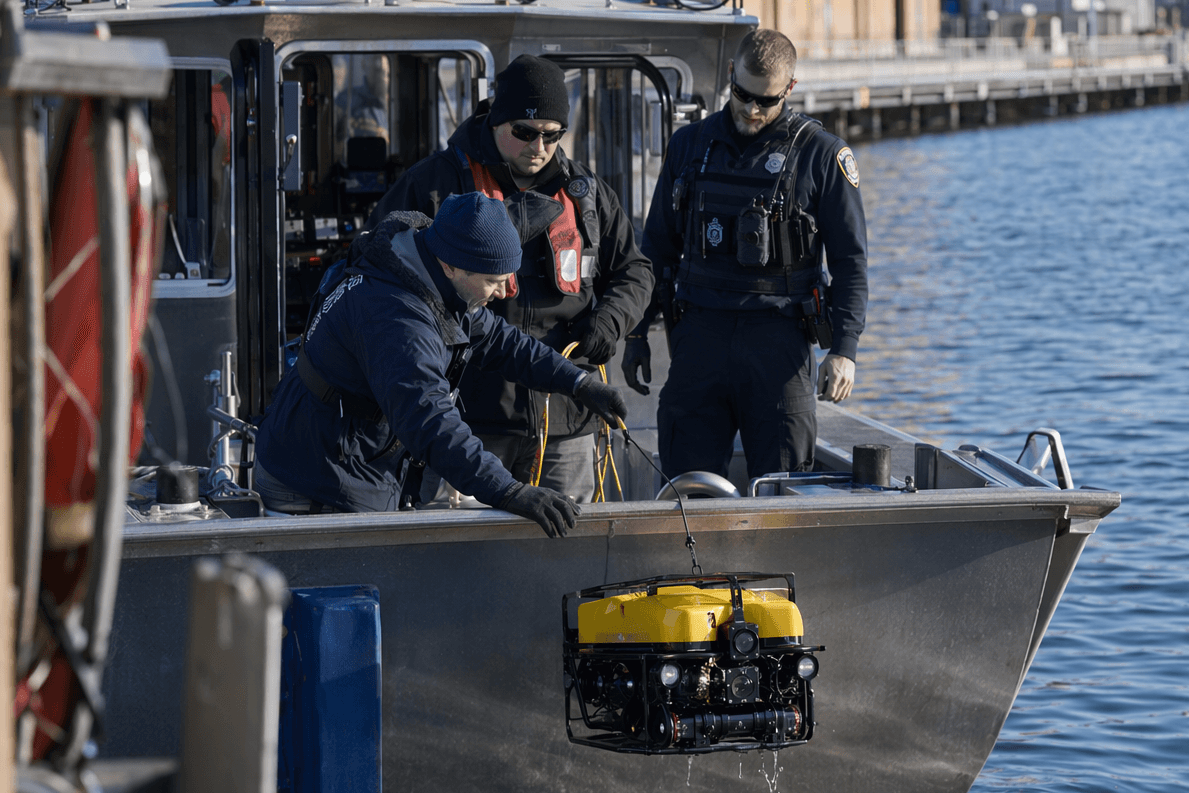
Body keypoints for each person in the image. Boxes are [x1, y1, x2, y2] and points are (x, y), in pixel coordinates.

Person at [252, 193, 629, 536]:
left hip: (358, 460)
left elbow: (500, 340)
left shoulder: (425, 270)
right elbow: (429, 420)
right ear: (451, 266)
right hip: (317, 480)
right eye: (493, 281)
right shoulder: (399, 319)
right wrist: (508, 490)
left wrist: (579, 383)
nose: (503, 292)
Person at [370, 54, 652, 500]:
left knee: (567, 554)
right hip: (469, 421)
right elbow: (381, 270)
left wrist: (611, 321)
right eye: (524, 132)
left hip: (568, 422)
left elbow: (635, 270)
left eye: (552, 135)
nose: (538, 147)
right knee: (468, 555)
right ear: (497, 120)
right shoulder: (436, 186)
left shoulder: (587, 194)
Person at [625, 29, 868, 481]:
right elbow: (656, 248)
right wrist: (637, 334)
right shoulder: (689, 146)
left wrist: (844, 349)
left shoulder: (822, 155)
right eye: (743, 95)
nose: (753, 110)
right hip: (699, 340)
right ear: (732, 74)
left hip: (778, 344)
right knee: (686, 488)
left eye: (767, 101)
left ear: (790, 89)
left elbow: (851, 262)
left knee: (781, 490)